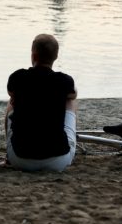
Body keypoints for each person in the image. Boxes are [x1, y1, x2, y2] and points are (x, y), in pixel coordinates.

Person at [5, 34, 77, 172]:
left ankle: (8, 157)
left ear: (33, 55)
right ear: (55, 56)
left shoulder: (18, 77)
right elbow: (73, 94)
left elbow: (11, 93)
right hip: (58, 161)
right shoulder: (64, 80)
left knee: (11, 101)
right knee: (70, 100)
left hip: (20, 159)